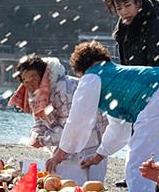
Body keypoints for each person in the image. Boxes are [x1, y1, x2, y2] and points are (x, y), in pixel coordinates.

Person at [45, 41, 159, 192]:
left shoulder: (91, 76)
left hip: (158, 98)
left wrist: (59, 154)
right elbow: (119, 127)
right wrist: (99, 155)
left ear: (81, 70)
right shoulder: (115, 75)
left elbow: (78, 121)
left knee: (141, 167)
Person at [9, 55, 108, 184]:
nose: (30, 84)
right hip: (64, 146)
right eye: (25, 81)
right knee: (63, 187)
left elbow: (71, 127)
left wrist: (43, 140)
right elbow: (39, 121)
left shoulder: (65, 88)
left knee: (86, 188)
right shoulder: (34, 92)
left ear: (43, 75)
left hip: (90, 141)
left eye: (33, 78)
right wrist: (36, 135)